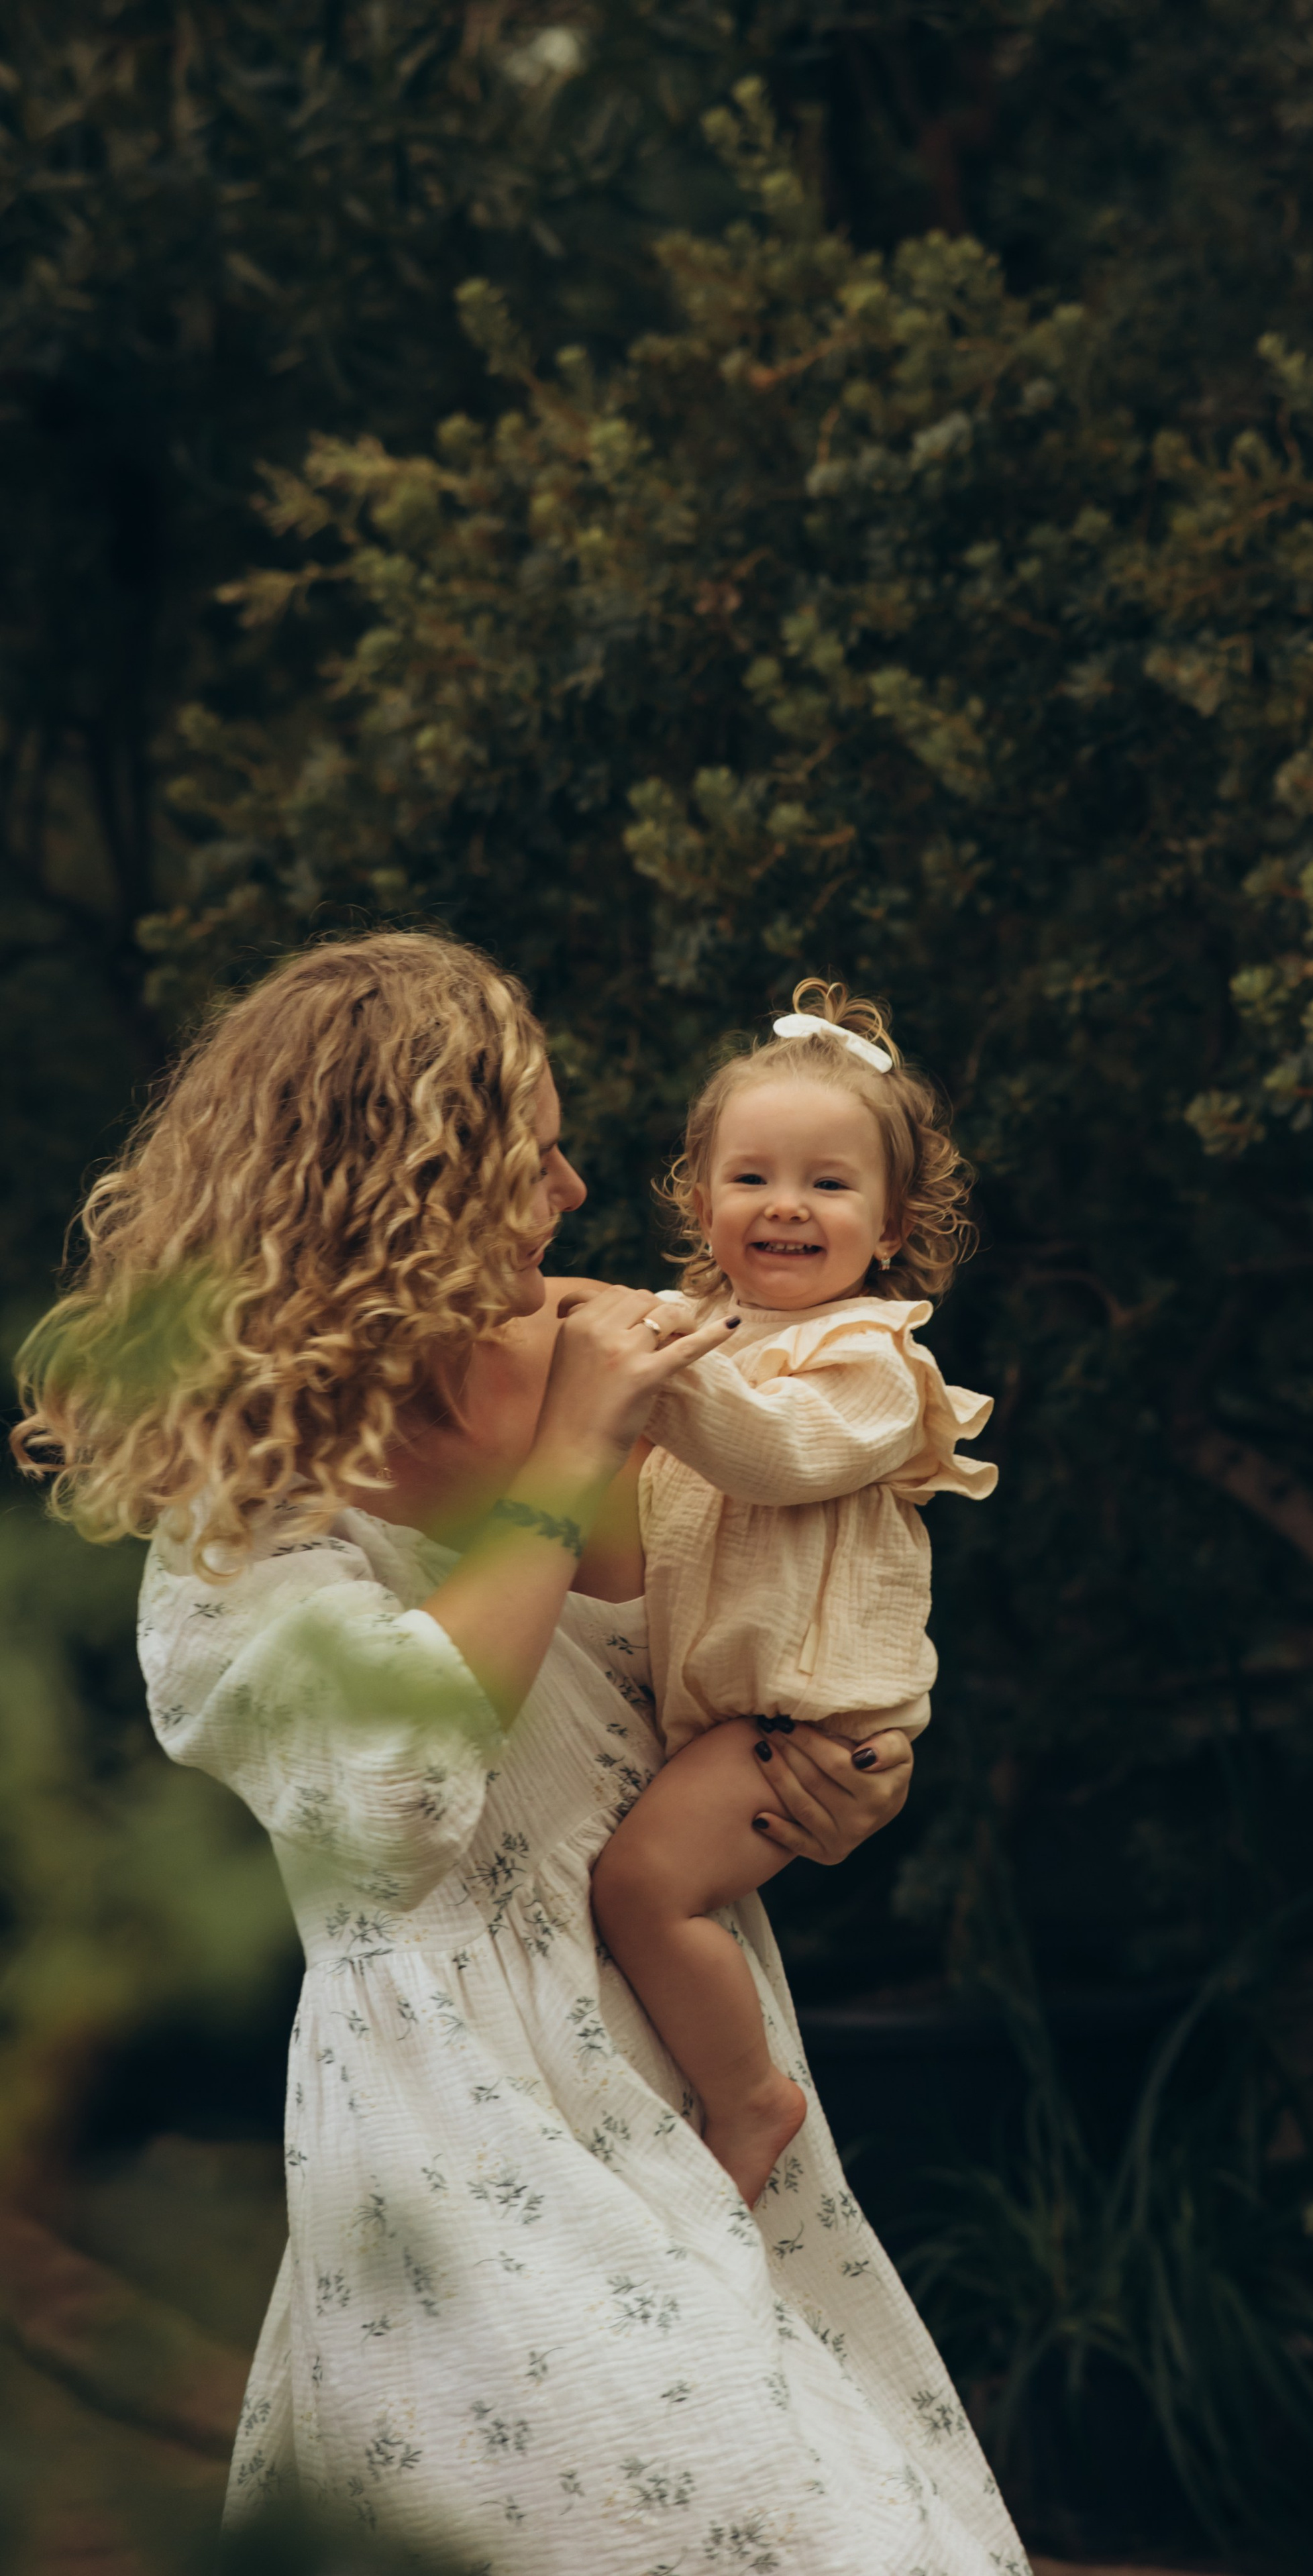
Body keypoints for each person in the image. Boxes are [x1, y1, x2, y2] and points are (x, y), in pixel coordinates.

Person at [11, 932, 1027, 2576]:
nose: (569, 1188)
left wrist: (830, 1781)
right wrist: (563, 1464)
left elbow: (771, 1640)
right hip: (452, 2104)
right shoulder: (245, 1511)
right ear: (395, 1193)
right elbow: (399, 1809)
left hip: (692, 2055)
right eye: (523, 1152)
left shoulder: (626, 1352)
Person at [590, 982, 996, 2208]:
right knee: (652, 1888)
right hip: (738, 1719)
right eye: (751, 1176)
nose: (786, 1204)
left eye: (829, 1184)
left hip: (816, 1726)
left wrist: (649, 1370)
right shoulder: (702, 1345)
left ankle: (752, 2098)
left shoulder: (876, 1363)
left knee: (642, 1891)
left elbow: (780, 1452)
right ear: (700, 1203)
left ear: (888, 1228)